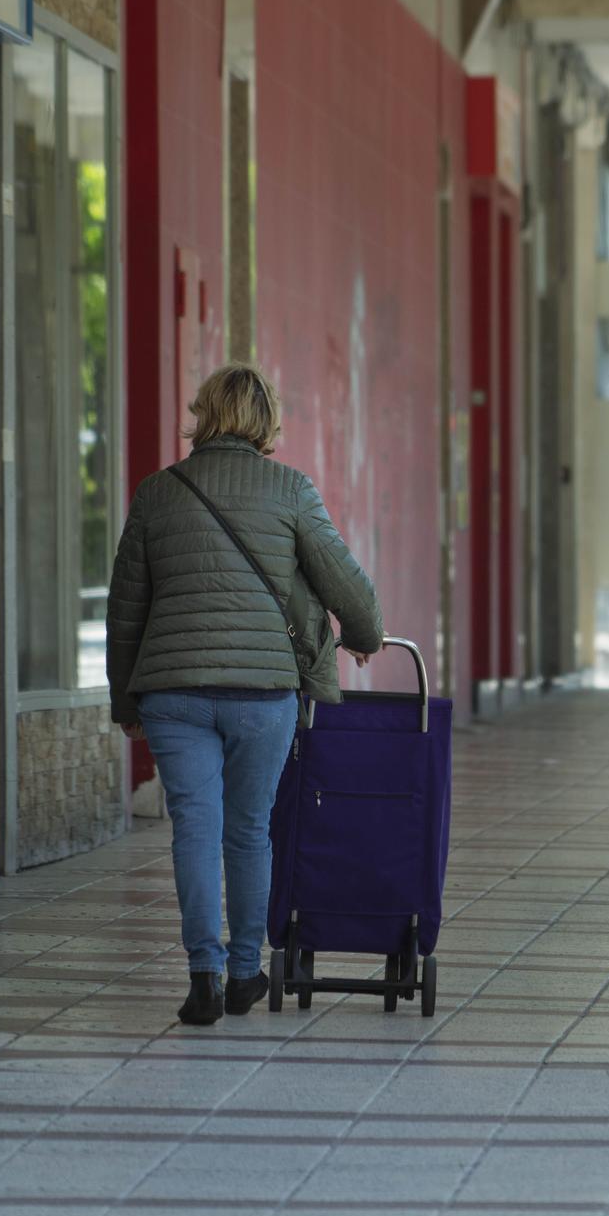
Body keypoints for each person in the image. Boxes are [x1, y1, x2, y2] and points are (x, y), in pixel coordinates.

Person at [107, 363, 384, 1026]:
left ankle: (201, 975)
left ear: (202, 414)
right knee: (249, 831)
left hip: (172, 691)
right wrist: (365, 636)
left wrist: (125, 702)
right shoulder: (290, 489)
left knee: (193, 830)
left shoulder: (157, 493)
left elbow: (125, 610)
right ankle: (241, 974)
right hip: (263, 691)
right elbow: (347, 584)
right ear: (267, 422)